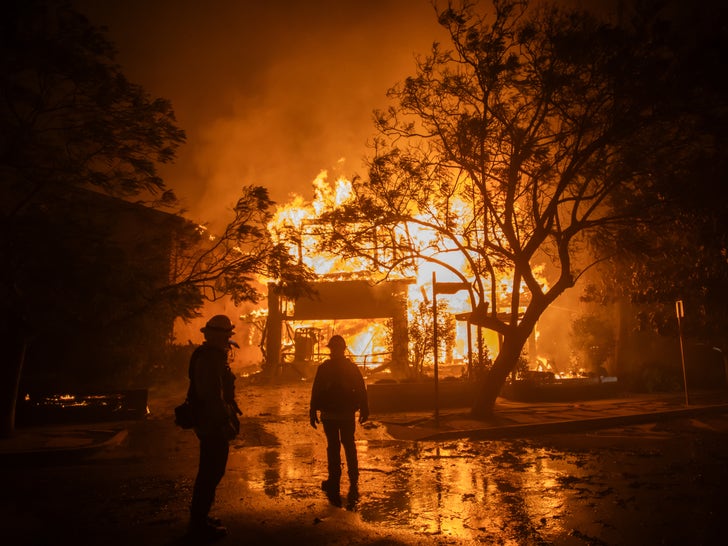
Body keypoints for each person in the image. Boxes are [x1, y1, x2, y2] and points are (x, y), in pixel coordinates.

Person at [187, 314, 241, 541]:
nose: (228, 339)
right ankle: (198, 525)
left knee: (210, 472)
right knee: (211, 472)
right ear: (217, 336)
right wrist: (224, 422)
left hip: (209, 421)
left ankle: (201, 517)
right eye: (226, 335)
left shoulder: (210, 355)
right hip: (213, 424)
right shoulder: (210, 359)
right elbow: (212, 396)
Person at [309, 335, 369, 506]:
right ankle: (353, 476)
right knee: (348, 444)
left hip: (329, 415)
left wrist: (312, 410)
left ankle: (333, 480)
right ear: (343, 349)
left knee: (333, 446)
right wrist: (365, 408)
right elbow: (361, 388)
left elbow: (317, 390)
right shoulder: (351, 367)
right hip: (346, 414)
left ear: (331, 350)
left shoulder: (324, 368)